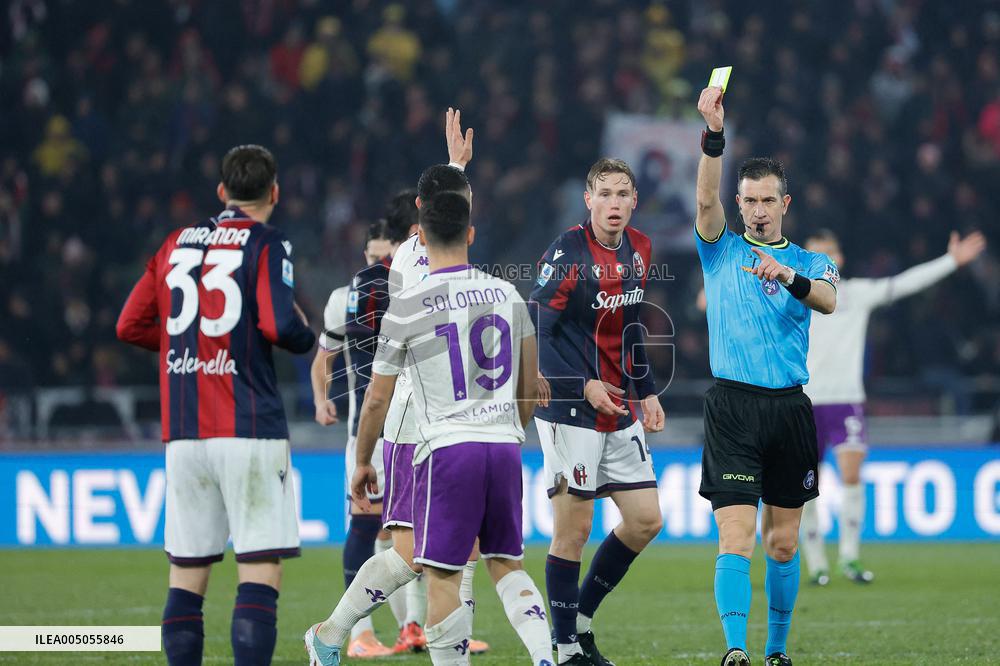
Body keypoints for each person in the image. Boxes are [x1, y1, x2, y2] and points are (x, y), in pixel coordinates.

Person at [308, 190, 553, 666]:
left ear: (418, 237)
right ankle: (547, 657)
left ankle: (333, 634)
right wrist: (510, 429)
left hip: (445, 448)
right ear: (472, 234)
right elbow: (530, 388)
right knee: (505, 565)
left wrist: (362, 461)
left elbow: (377, 397)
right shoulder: (507, 293)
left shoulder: (408, 302)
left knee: (434, 570)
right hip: (504, 448)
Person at [116, 144, 315, 666]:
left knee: (187, 575)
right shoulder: (268, 242)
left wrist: (193, 351)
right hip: (248, 425)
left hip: (184, 432)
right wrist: (306, 337)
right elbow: (278, 324)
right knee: (259, 566)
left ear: (222, 192)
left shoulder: (175, 243)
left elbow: (128, 324)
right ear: (274, 193)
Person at [693, 85, 839, 666]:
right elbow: (705, 203)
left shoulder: (808, 261)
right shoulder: (720, 250)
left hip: (788, 410)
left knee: (782, 542)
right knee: (737, 539)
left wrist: (786, 277)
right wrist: (713, 135)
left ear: (785, 203)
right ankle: (736, 651)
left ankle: (776, 653)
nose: (755, 210)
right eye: (747, 200)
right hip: (732, 408)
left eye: (766, 201)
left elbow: (828, 300)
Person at [529, 158, 665, 666]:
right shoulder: (566, 252)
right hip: (568, 409)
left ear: (634, 201)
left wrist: (647, 390)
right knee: (574, 530)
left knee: (646, 520)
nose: (613, 203)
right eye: (604, 193)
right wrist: (581, 383)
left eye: (622, 194)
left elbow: (630, 328)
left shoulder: (640, 250)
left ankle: (579, 621)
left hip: (618, 405)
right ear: (588, 200)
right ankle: (564, 649)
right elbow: (536, 331)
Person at [799, 228, 986, 585]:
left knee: (851, 477)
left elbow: (904, 283)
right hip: (804, 402)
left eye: (828, 253)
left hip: (846, 400)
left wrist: (950, 261)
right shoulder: (795, 296)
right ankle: (817, 563)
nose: (822, 259)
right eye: (815, 254)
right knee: (808, 485)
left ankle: (850, 558)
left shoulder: (856, 294)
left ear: (839, 259)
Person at [310, 218, 402, 658]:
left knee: (406, 534)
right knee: (367, 525)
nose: (379, 262)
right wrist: (320, 399)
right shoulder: (343, 299)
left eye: (387, 253)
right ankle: (358, 634)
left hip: (412, 431)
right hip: (367, 431)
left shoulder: (409, 287)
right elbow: (323, 358)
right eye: (373, 256)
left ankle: (415, 626)